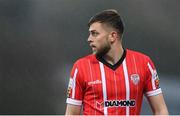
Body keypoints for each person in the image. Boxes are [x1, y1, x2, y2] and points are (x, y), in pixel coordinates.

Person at [65, 9, 168, 115]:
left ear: (112, 36)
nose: (89, 39)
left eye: (94, 34)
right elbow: (71, 113)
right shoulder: (81, 67)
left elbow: (161, 110)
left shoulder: (143, 63)